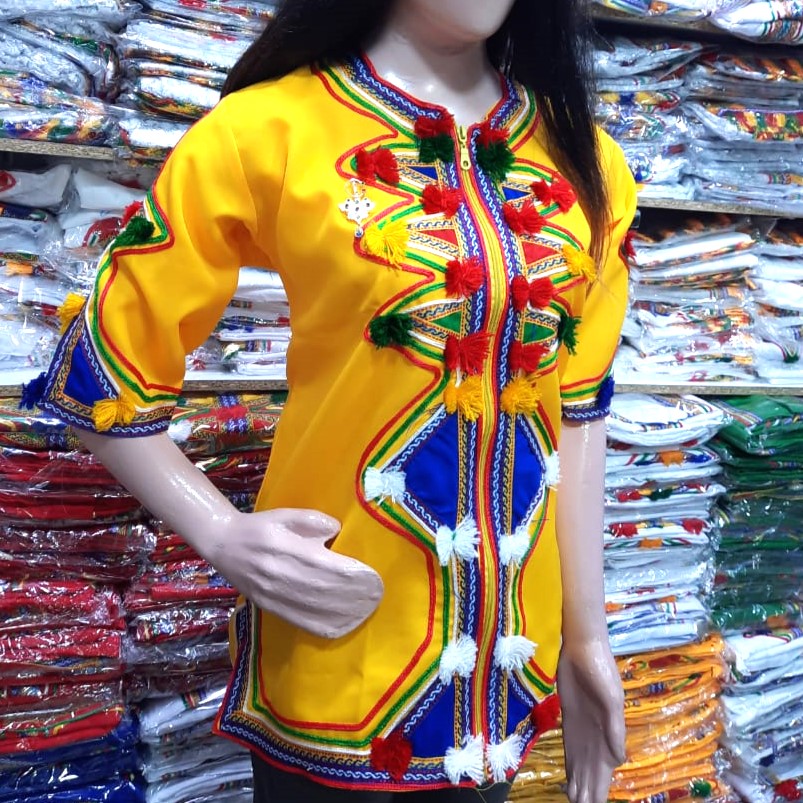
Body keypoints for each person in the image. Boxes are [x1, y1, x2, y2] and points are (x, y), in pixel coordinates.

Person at [32, 0, 637, 800]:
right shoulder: (268, 129)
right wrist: (220, 530)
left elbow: (579, 409)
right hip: (336, 630)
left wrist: (586, 636)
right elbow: (102, 366)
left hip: (505, 662)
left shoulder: (586, 159)